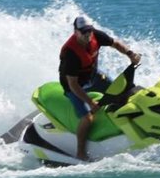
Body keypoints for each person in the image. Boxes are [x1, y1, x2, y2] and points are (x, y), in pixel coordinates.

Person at [59, 15, 141, 161]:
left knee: (121, 93)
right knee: (88, 118)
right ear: (75, 32)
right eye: (83, 32)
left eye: (89, 30)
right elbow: (73, 84)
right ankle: (80, 152)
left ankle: (129, 129)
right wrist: (90, 102)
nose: (87, 34)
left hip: (93, 76)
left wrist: (130, 54)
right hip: (74, 86)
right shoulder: (70, 53)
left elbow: (115, 43)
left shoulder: (95, 35)